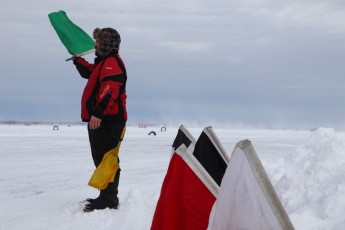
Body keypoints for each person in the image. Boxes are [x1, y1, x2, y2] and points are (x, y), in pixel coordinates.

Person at [73, 27, 127, 212]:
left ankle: (109, 198)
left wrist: (98, 113)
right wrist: (77, 59)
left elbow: (109, 90)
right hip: (104, 119)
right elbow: (89, 72)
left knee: (107, 159)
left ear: (104, 44)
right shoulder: (104, 63)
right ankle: (107, 195)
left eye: (97, 42)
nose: (94, 45)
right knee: (102, 158)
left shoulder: (112, 63)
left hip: (108, 120)